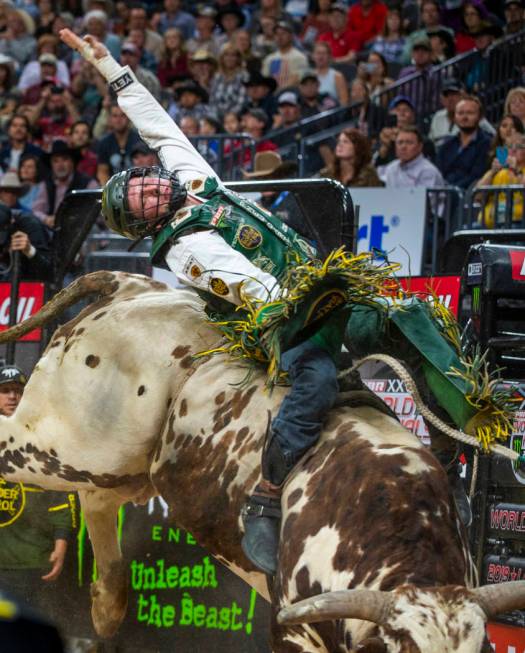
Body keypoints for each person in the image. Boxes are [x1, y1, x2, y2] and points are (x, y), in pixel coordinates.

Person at [60, 27, 349, 576]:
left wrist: (111, 69)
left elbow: (159, 127)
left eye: (144, 182)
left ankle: (458, 442)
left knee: (406, 317)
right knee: (315, 379)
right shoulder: (183, 249)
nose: (151, 188)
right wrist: (309, 298)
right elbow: (243, 281)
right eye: (142, 198)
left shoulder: (195, 181)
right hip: (283, 318)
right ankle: (268, 491)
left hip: (319, 285)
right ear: (146, 222)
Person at [0, 365, 74, 617]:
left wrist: (61, 543)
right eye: (5, 391)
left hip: (32, 561)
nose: (12, 397)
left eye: (18, 391)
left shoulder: (42, 439)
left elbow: (60, 493)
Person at [32, 140, 98, 229]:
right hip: (53, 231)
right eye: (55, 161)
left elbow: (96, 213)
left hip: (80, 230)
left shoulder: (88, 183)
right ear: (51, 165)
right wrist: (46, 219)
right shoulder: (46, 184)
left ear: (72, 162)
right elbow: (36, 211)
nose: (60, 165)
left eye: (65, 159)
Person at [0, 176, 53, 281]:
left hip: (32, 281)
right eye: (6, 191)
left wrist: (30, 250)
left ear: (12, 222)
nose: (9, 195)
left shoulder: (30, 224)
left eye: (13, 192)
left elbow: (50, 273)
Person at [436, 94, 492, 190]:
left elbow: (477, 176)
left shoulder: (488, 143)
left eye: (470, 113)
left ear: (480, 117)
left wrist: (452, 189)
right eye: (460, 113)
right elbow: (438, 173)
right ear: (454, 117)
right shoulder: (446, 145)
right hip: (443, 194)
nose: (464, 117)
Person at [476, 131, 525, 227]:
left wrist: (516, 171)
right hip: (487, 223)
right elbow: (477, 196)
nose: (513, 150)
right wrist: (492, 172)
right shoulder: (497, 171)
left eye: (519, 147)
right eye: (509, 146)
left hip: (518, 224)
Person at [428, 78, 495, 147]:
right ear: (441, 99)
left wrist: (501, 157)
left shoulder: (474, 117)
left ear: (463, 95)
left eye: (454, 94)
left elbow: (497, 140)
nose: (450, 99)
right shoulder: (437, 117)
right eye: (446, 95)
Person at [262, 18, 308, 89]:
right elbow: (265, 79)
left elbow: (297, 79)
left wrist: (279, 92)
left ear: (291, 36)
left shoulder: (299, 57)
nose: (279, 37)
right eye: (277, 34)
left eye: (283, 33)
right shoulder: (269, 58)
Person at [311, 41, 349, 106]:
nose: (321, 56)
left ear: (329, 56)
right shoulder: (308, 76)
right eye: (318, 53)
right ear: (313, 56)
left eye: (324, 53)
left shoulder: (337, 76)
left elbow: (344, 103)